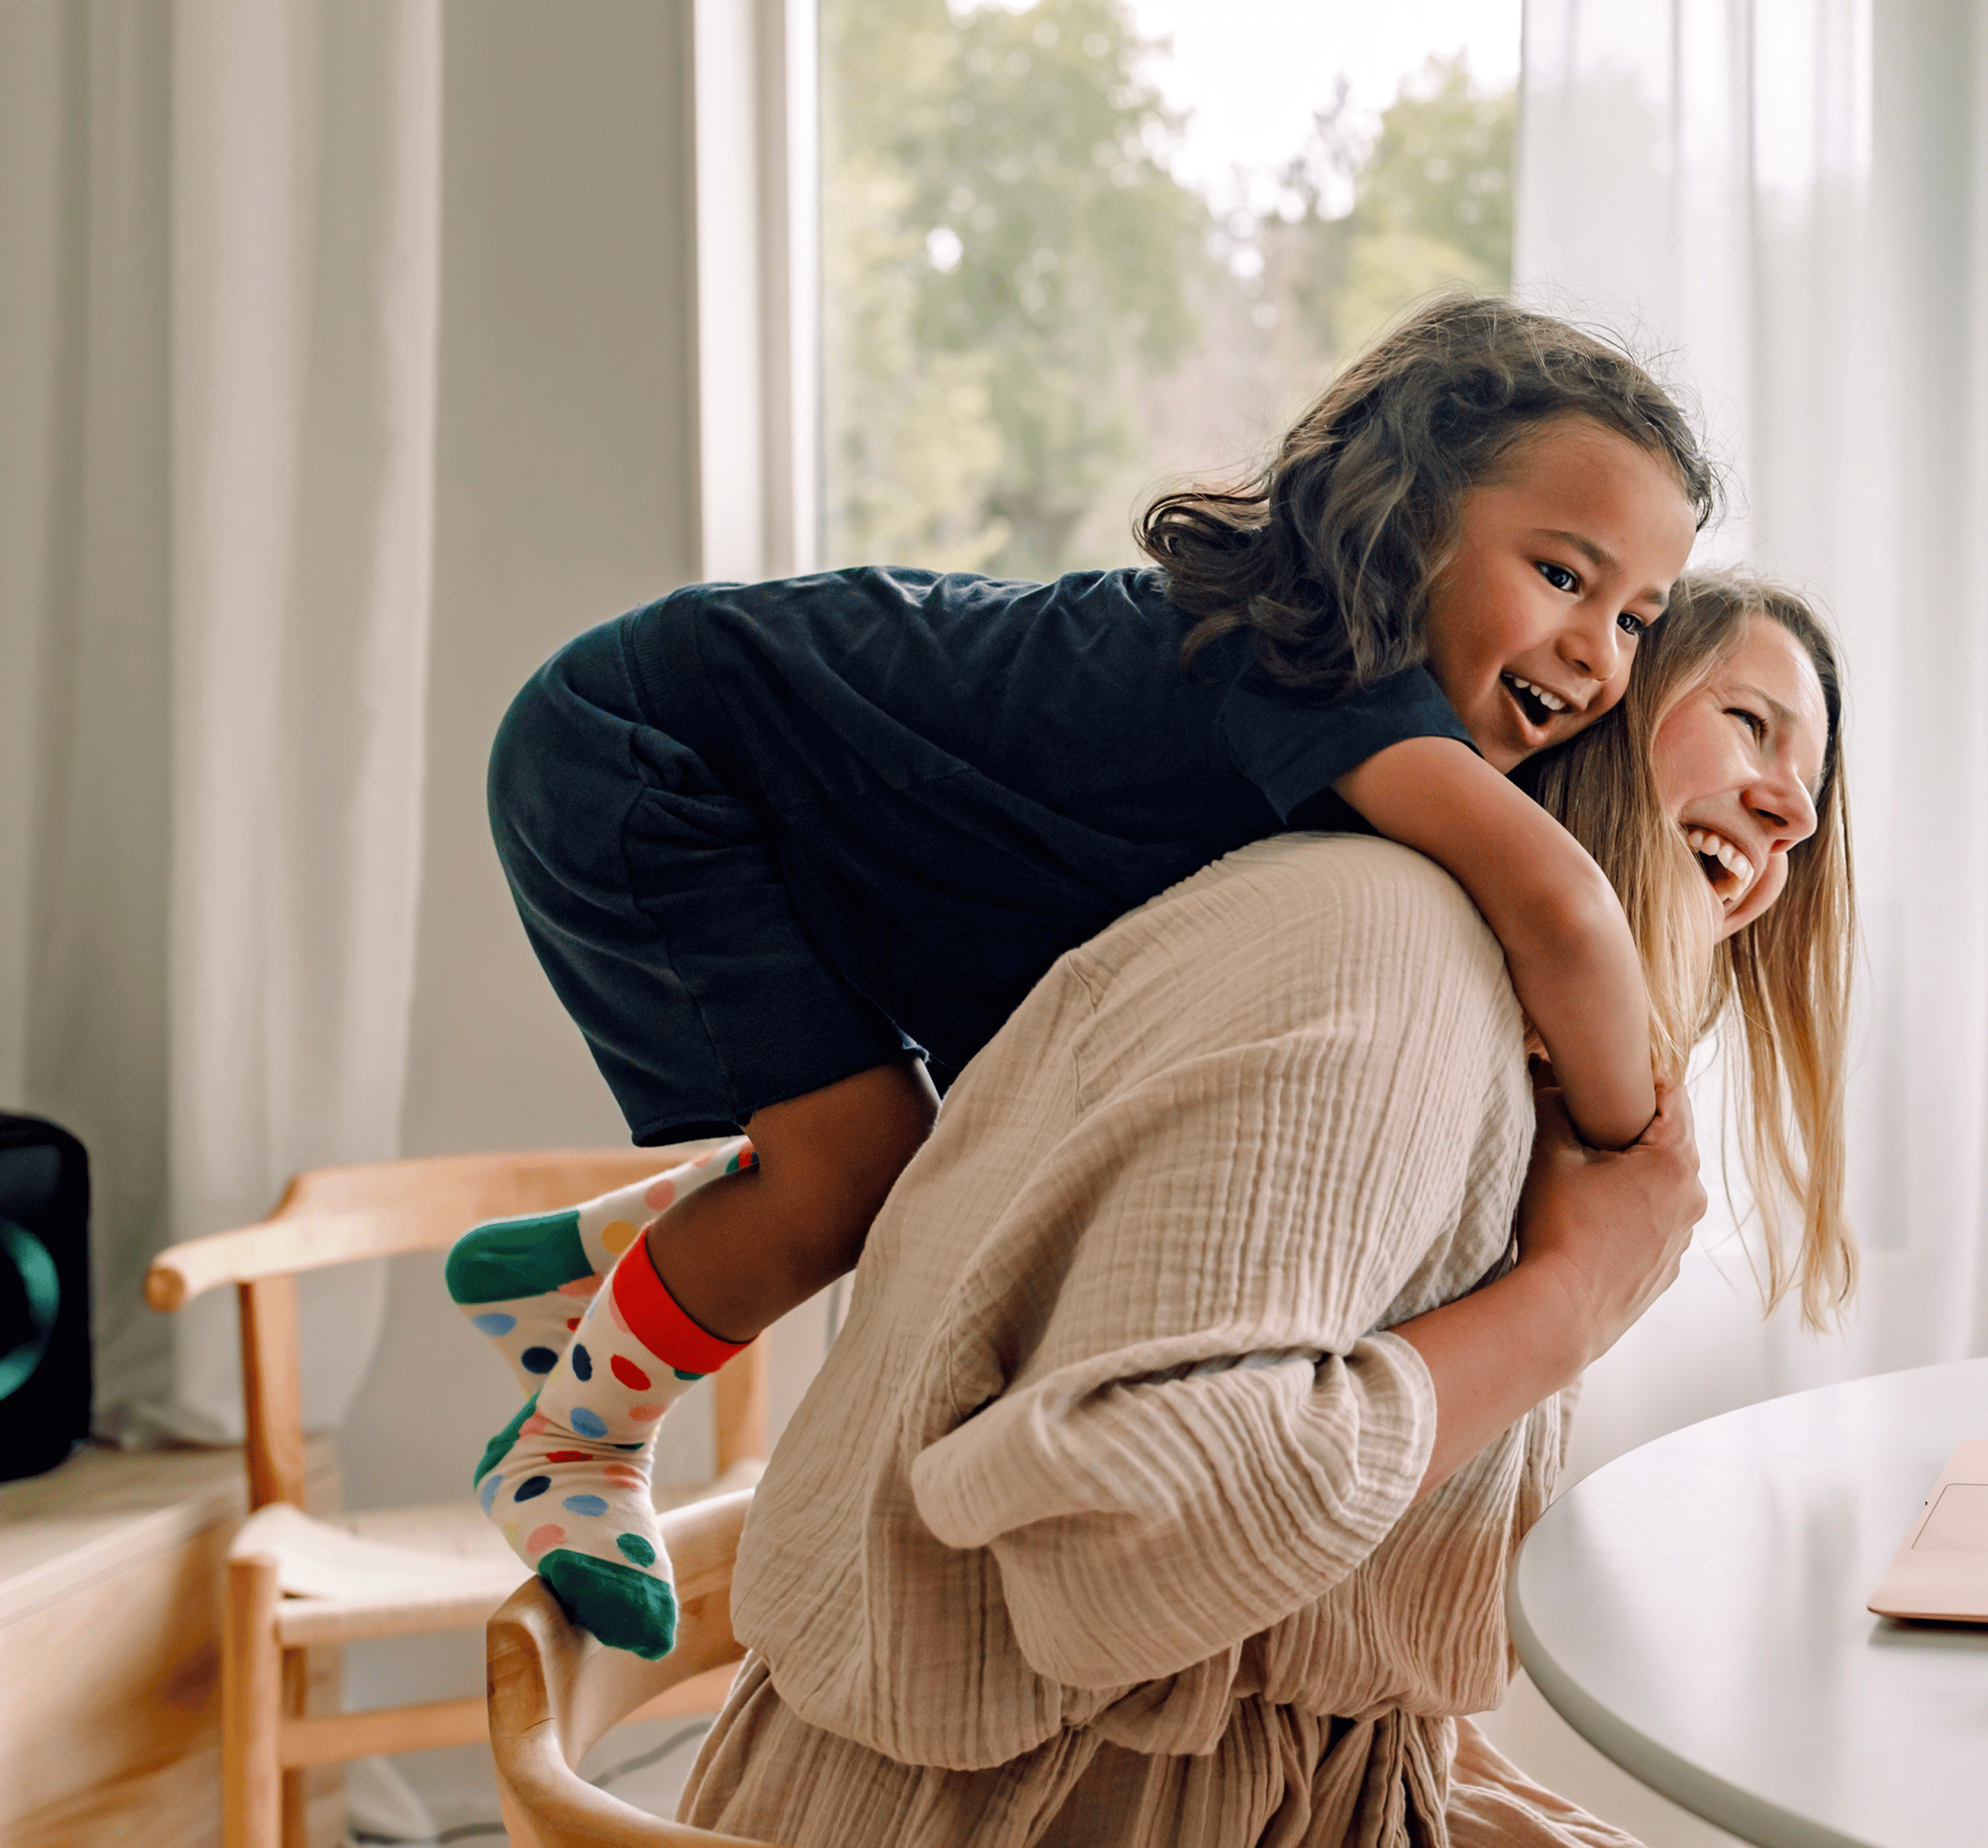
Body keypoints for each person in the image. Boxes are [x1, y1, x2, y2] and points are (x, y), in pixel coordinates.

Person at [443, 295, 1716, 1657]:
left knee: (921, 1146)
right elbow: (1565, 909)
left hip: (771, 779)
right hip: (649, 747)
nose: (1598, 655)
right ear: (1406, 526)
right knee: (854, 1176)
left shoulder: (1338, 721)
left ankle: (589, 1275)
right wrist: (1634, 1157)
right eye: (1565, 578)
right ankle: (571, 1447)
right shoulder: (1317, 664)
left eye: (1641, 618)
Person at [674, 573, 1854, 1848]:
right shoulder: (1393, 953)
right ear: (1589, 709)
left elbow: (1299, 1609)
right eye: (1749, 723)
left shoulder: (1490, 1025)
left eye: (1806, 806)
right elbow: (1124, 1544)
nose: (1789, 813)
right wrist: (1568, 1300)